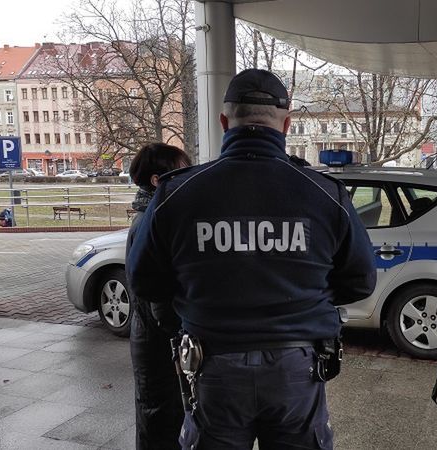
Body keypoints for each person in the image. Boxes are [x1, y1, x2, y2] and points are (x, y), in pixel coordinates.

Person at [127, 68, 376, 449]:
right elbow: (360, 281)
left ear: (224, 122)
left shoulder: (178, 194)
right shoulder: (325, 194)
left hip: (212, 364)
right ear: (287, 124)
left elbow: (145, 282)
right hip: (297, 367)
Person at [125, 143, 192, 450]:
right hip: (156, 342)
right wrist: (182, 333)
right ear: (157, 180)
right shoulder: (150, 221)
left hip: (152, 337)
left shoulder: (151, 214)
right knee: (159, 417)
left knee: (163, 416)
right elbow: (158, 297)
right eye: (181, 169)